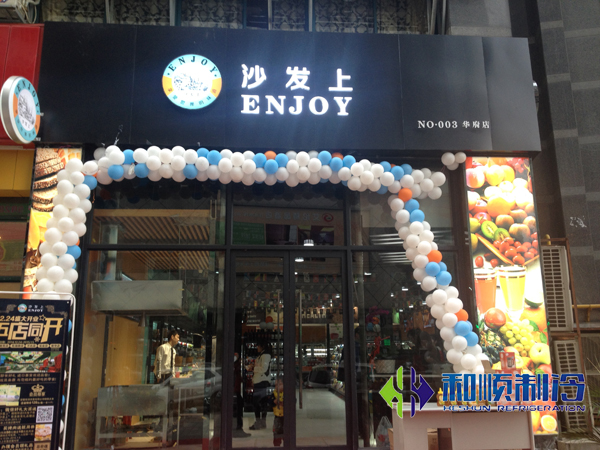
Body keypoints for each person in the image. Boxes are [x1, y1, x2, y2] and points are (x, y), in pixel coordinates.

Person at [246, 341, 271, 430]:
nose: (257, 348)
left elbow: (263, 369)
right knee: (262, 402)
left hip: (261, 381)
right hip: (261, 381)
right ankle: (262, 422)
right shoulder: (263, 355)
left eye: (258, 346)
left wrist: (253, 368)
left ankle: (259, 422)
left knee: (257, 403)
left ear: (262, 346)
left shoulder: (265, 355)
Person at [233, 353, 251, 438]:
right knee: (238, 409)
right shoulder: (235, 366)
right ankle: (238, 428)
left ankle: (239, 427)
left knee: (239, 408)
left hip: (236, 390)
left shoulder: (236, 366)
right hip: (235, 390)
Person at [272, 378, 284, 446]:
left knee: (287, 432)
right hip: (277, 416)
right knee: (277, 431)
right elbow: (270, 403)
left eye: (279, 384)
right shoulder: (274, 394)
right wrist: (274, 402)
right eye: (275, 385)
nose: (277, 387)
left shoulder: (288, 393)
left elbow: (293, 401)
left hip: (286, 416)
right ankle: (276, 444)